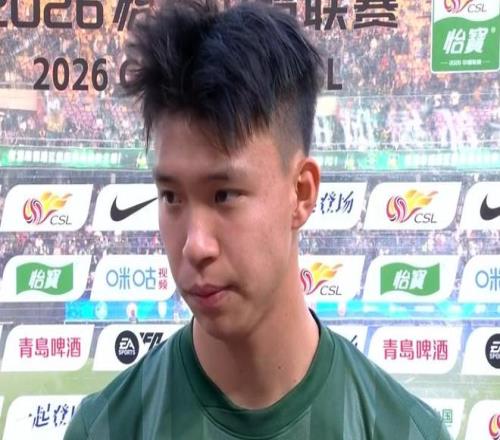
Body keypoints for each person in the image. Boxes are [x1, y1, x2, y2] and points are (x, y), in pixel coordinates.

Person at [64, 1, 451, 438]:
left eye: (224, 195)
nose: (195, 245)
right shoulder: (106, 428)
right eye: (171, 196)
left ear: (301, 193)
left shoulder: (405, 430)